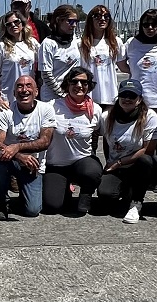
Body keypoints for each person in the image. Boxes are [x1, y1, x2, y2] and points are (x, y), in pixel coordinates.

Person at [0, 75, 56, 220]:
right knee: (0, 162)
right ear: (14, 93)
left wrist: (17, 147)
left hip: (33, 165)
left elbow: (45, 141)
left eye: (28, 86)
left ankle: (23, 195)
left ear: (36, 91)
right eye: (19, 86)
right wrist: (19, 155)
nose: (24, 90)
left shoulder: (46, 110)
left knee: (33, 211)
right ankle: (1, 203)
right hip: (11, 160)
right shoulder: (6, 112)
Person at [97, 80, 157, 224]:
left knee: (145, 160)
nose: (127, 99)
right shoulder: (107, 116)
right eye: (123, 95)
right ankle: (125, 191)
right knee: (105, 195)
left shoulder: (149, 116)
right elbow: (107, 142)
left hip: (137, 166)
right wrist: (110, 163)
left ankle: (136, 202)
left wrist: (119, 163)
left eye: (132, 96)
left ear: (139, 99)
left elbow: (147, 150)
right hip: (115, 166)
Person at [44, 67, 103, 216]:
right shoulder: (52, 106)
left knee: (92, 170)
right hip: (56, 165)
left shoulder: (96, 110)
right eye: (74, 81)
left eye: (84, 82)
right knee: (52, 206)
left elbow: (97, 135)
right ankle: (65, 189)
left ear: (89, 86)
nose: (79, 85)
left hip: (81, 161)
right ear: (67, 85)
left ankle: (86, 193)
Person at [78, 5, 125, 108]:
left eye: (106, 16)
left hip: (110, 96)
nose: (102, 19)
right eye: (97, 16)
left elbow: (123, 66)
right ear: (91, 19)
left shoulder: (116, 42)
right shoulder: (80, 44)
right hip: (89, 95)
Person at [0, 11, 39, 111]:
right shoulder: (1, 46)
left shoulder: (32, 43)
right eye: (9, 24)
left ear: (22, 23)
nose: (13, 25)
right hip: (7, 98)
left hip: (27, 95)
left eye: (16, 22)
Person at [38, 5, 81, 102]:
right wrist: (62, 94)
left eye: (76, 22)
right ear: (59, 20)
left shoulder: (75, 40)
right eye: (70, 21)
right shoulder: (48, 44)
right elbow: (46, 74)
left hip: (72, 94)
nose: (74, 25)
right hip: (52, 97)